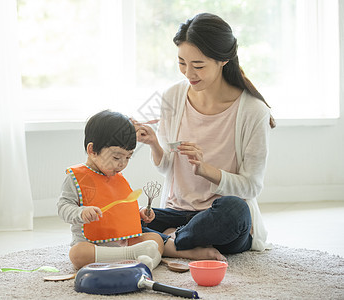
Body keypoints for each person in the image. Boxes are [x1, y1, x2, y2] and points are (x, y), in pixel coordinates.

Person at [133, 13, 275, 262]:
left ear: (223, 60)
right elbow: (168, 167)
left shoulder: (254, 111)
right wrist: (154, 143)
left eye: (198, 65)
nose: (189, 73)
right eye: (181, 63)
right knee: (123, 215)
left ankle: (169, 240)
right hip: (176, 211)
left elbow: (252, 186)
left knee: (235, 210)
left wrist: (205, 170)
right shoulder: (171, 96)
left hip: (219, 218)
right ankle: (183, 243)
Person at [57, 110, 164, 270]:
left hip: (124, 241)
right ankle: (132, 257)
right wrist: (81, 212)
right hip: (93, 246)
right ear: (92, 150)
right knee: (77, 254)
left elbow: (123, 205)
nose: (122, 164)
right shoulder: (77, 178)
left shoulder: (116, 176)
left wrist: (140, 211)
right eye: (116, 157)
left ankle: (146, 263)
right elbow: (63, 207)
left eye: (128, 157)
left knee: (156, 239)